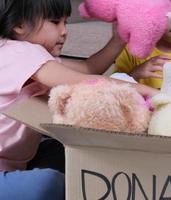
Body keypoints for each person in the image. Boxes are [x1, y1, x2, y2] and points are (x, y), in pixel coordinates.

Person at [0, 0, 158, 199]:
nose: (64, 31)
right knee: (47, 183)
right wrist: (144, 90)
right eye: (55, 22)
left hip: (15, 167)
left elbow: (89, 68)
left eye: (66, 23)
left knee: (68, 152)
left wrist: (119, 39)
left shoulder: (33, 57)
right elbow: (83, 80)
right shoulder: (19, 52)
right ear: (19, 25)